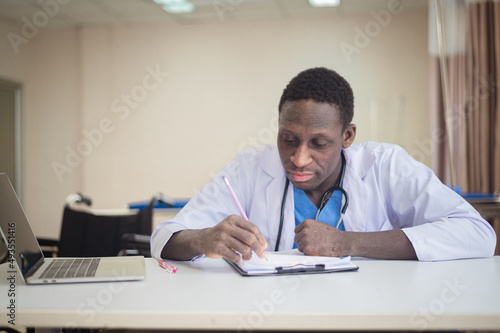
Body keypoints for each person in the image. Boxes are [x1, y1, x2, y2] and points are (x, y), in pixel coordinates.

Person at [151, 67, 497, 262]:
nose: (299, 159)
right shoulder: (250, 167)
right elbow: (164, 238)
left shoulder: (384, 164)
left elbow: (478, 235)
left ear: (347, 137)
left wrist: (348, 244)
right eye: (288, 139)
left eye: (319, 143)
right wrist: (203, 239)